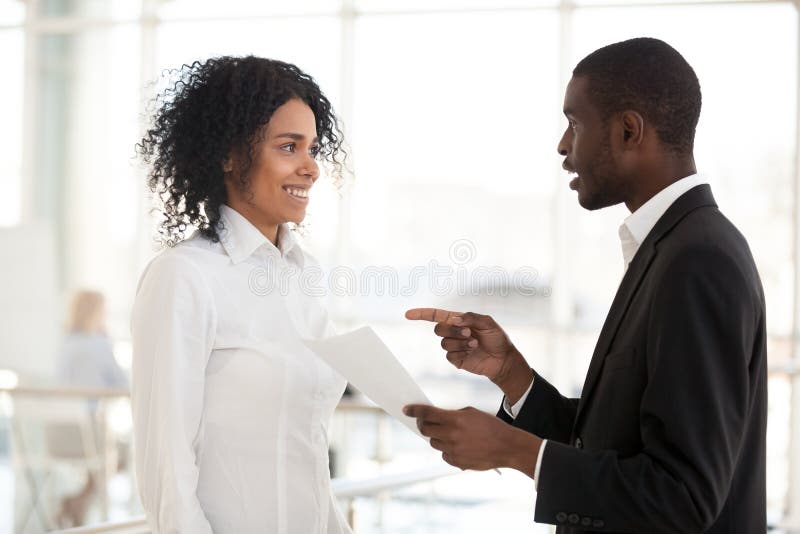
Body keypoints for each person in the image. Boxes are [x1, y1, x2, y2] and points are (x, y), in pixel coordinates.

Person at [403, 37, 767, 533]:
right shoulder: (673, 246)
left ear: (627, 130)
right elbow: (617, 442)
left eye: (574, 123)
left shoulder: (698, 259)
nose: (562, 144)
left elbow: (683, 496)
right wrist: (514, 376)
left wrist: (517, 452)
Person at [132, 56, 350, 534]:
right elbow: (167, 473)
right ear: (230, 154)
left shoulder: (301, 276)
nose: (310, 168)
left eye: (312, 148)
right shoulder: (184, 277)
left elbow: (309, 457)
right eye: (289, 147)